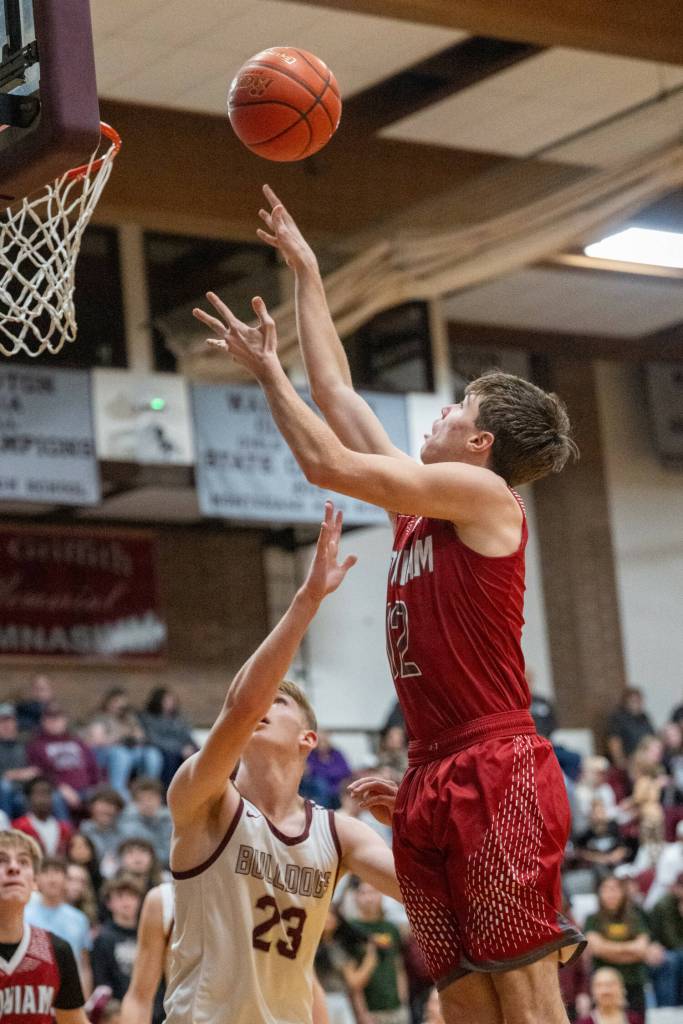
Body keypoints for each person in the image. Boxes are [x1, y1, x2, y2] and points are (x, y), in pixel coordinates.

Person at [192, 186, 584, 1023]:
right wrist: (306, 273)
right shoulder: (424, 506)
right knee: (465, 1000)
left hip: (495, 765)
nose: (437, 415)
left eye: (455, 410)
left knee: (525, 990)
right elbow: (337, 396)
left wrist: (266, 371)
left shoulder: (482, 497)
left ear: (479, 446)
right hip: (435, 766)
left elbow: (328, 464)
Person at [164, 502, 402, 1024]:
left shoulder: (337, 833)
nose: (263, 706)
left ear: (308, 738)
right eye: (263, 697)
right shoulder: (203, 797)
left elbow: (420, 888)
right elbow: (241, 705)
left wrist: (414, 821)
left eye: (281, 702)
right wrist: (309, 597)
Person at [0, 828, 88, 1024]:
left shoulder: (57, 950)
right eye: (1, 860)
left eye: (23, 862)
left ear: (34, 882)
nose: (14, 868)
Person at [583, 876, 650, 1023]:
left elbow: (642, 949)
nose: (610, 894)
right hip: (603, 987)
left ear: (623, 892)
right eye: (605, 889)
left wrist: (609, 949)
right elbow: (597, 948)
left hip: (633, 983)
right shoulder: (592, 919)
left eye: (614, 889)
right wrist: (628, 949)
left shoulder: (636, 917)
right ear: (599, 893)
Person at [24, 855, 93, 997]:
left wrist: (85, 1000)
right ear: (36, 879)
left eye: (57, 872)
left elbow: (84, 965)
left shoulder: (79, 919)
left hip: (68, 991)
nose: (52, 878)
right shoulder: (23, 914)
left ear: (66, 879)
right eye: (46, 872)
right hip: (31, 991)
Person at [349, 880, 410, 1024]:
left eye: (373, 892)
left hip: (396, 1009)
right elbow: (350, 974)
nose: (369, 898)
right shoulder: (350, 930)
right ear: (356, 897)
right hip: (370, 1012)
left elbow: (398, 965)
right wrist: (361, 1013)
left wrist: (403, 1000)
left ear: (381, 895)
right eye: (364, 893)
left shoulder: (391, 928)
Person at [85, 689, 163, 800]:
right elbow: (97, 741)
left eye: (123, 702)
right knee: (121, 754)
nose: (120, 706)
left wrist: (134, 737)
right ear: (108, 703)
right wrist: (119, 738)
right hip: (107, 753)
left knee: (152, 753)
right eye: (116, 702)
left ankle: (149, 790)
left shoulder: (129, 718)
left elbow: (141, 736)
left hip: (130, 750)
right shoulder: (101, 717)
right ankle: (119, 793)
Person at [26, 705, 100, 817]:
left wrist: (96, 788)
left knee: (107, 798)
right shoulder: (37, 745)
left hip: (87, 789)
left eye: (58, 718)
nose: (54, 722)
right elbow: (39, 773)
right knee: (56, 798)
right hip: (59, 791)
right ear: (43, 722)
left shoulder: (77, 742)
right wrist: (60, 787)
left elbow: (92, 767)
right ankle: (66, 833)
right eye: (50, 719)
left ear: (64, 720)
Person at [91, 875, 142, 1001]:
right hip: (117, 1012)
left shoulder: (148, 934)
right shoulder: (102, 938)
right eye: (120, 897)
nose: (126, 902)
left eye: (131, 896)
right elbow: (102, 983)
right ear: (109, 903)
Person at [12, 776, 73, 857]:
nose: (43, 799)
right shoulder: (18, 827)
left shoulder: (64, 828)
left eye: (47, 793)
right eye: (38, 794)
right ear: (28, 798)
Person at [647, 872, 683, 1007]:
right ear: (676, 888)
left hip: (677, 950)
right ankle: (669, 1010)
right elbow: (671, 940)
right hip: (660, 948)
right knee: (672, 961)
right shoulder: (664, 904)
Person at [119, 777, 172, 867]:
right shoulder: (127, 824)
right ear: (134, 802)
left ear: (160, 799)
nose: (147, 803)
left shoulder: (170, 820)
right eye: (141, 799)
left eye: (151, 798)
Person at [606, 690, 655, 770]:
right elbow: (614, 741)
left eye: (639, 701)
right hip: (629, 760)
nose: (637, 703)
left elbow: (652, 737)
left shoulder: (644, 717)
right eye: (633, 701)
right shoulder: (618, 718)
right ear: (626, 702)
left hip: (646, 760)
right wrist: (620, 760)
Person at [574, 967, 641, 1024]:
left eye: (610, 985)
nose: (605, 991)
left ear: (622, 989)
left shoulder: (635, 1020)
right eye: (599, 985)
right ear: (592, 991)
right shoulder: (584, 1022)